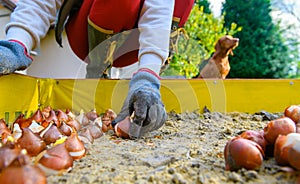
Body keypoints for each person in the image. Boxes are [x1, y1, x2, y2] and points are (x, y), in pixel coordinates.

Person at [0, 0, 193, 138]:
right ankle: (97, 68)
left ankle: (143, 75)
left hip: (131, 45)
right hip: (82, 35)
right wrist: (17, 43)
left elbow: (159, 13)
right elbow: (39, 2)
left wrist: (148, 77)